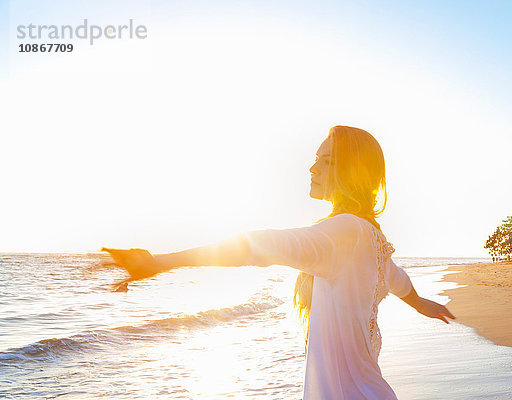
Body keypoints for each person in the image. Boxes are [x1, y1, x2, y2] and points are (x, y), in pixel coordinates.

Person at [102, 125, 455, 400]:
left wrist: (160, 263)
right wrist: (420, 302)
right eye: (317, 158)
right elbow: (396, 278)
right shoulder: (369, 237)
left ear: (351, 170)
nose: (312, 167)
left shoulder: (344, 231)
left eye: (327, 160)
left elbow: (260, 246)